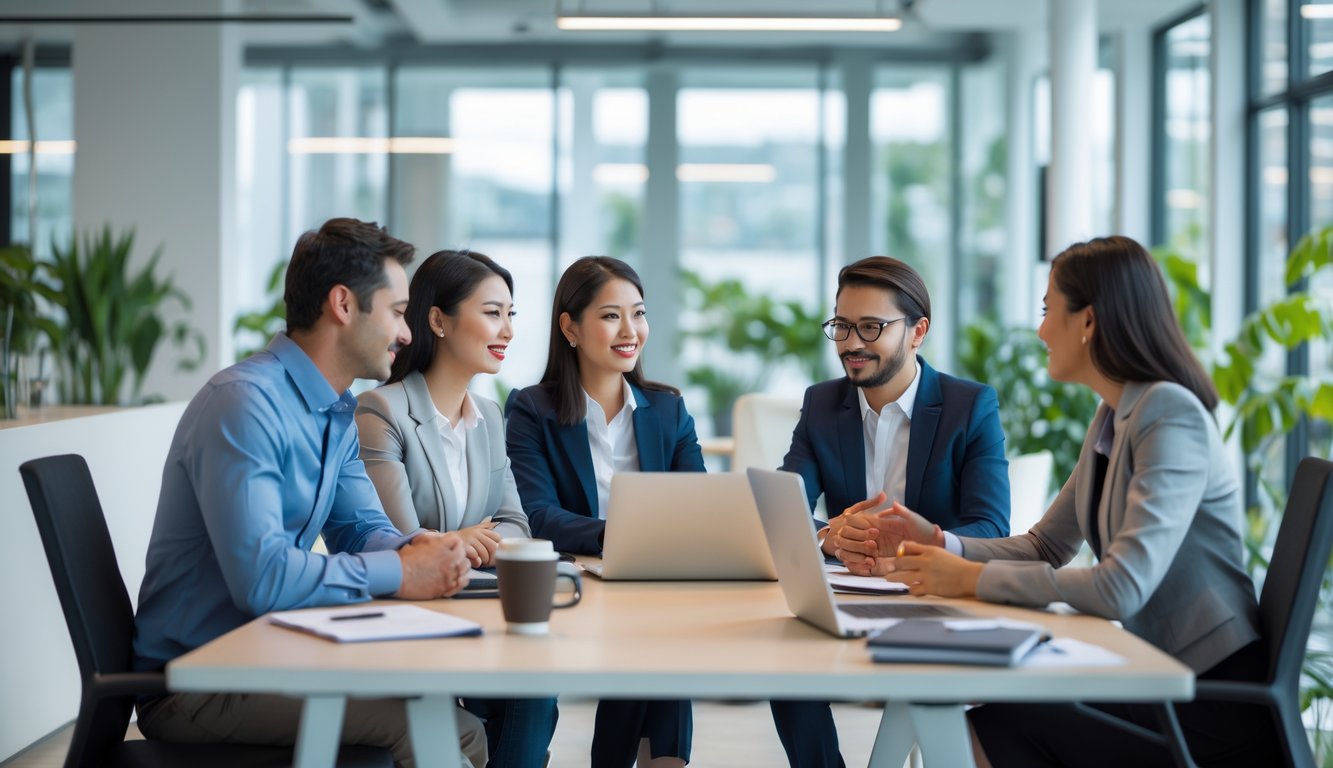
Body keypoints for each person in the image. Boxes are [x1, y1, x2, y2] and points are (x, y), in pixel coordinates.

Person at [873, 235, 1277, 767]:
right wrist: (940, 543)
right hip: (1158, 675)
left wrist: (970, 578)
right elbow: (1047, 545)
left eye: (1048, 310)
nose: (1040, 330)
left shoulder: (1169, 415)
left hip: (1207, 703)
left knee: (994, 724)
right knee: (988, 718)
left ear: (1087, 322)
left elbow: (1121, 587)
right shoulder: (1114, 413)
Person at [132, 218, 487, 768]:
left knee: (446, 709)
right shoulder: (243, 404)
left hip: (269, 650)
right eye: (397, 312)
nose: (408, 334)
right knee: (448, 731)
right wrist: (402, 572)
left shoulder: (336, 410)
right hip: (200, 679)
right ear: (343, 305)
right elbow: (264, 578)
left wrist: (418, 547)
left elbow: (358, 529)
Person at [771, 255, 1011, 768]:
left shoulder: (970, 406)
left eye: (872, 327)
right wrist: (828, 538)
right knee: (785, 662)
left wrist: (911, 549)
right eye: (842, 326)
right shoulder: (821, 404)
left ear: (917, 331)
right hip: (848, 595)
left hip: (935, 598)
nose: (851, 343)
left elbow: (992, 527)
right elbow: (786, 508)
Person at [356, 249, 558, 767]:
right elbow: (403, 541)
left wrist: (467, 540)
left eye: (511, 314)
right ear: (438, 320)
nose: (508, 330)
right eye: (493, 313)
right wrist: (464, 538)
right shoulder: (383, 410)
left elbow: (516, 524)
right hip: (412, 622)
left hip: (478, 611)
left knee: (535, 692)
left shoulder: (489, 416)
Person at [505, 256, 699, 768]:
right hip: (576, 584)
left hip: (651, 585)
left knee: (660, 629)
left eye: (638, 314)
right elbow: (536, 514)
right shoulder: (532, 409)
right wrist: (621, 536)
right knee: (655, 635)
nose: (630, 330)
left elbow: (697, 509)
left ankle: (653, 760)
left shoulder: (669, 410)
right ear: (570, 327)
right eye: (611, 316)